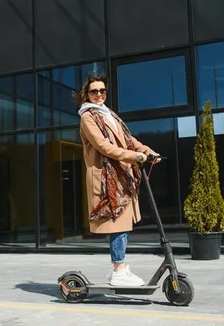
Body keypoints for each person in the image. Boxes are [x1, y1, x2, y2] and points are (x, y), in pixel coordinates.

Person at [74, 73, 160, 287]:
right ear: (87, 94)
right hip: (106, 177)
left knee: (124, 223)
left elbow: (129, 140)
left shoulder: (109, 114)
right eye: (94, 91)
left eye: (103, 91)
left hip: (121, 174)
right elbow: (103, 146)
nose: (99, 95)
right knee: (117, 224)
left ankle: (119, 267)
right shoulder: (87, 117)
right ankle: (118, 270)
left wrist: (149, 152)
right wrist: (134, 157)